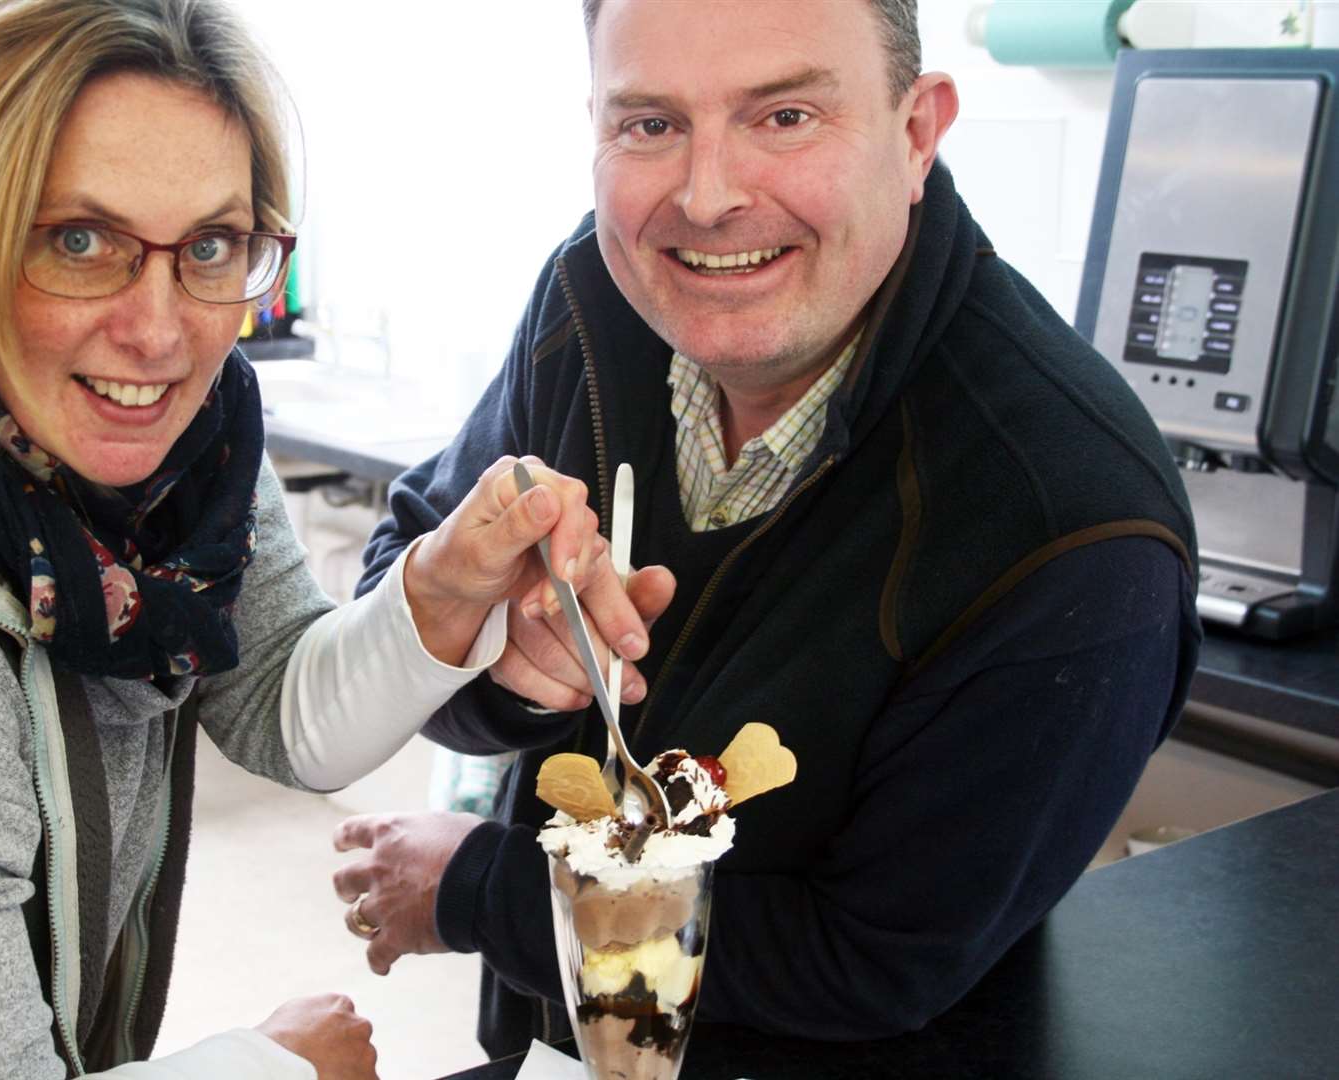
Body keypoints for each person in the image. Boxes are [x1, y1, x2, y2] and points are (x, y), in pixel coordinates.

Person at [0, 2, 646, 1077]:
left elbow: (277, 709)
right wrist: (273, 1066)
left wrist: (438, 595)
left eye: (211, 245)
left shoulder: (185, 447)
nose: (160, 333)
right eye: (80, 240)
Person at [338, 0, 1201, 1058]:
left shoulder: (1072, 528)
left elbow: (870, 962)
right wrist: (501, 666)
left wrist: (479, 889)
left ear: (918, 131)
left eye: (784, 116)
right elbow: (401, 601)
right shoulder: (598, 296)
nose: (707, 198)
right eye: (650, 124)